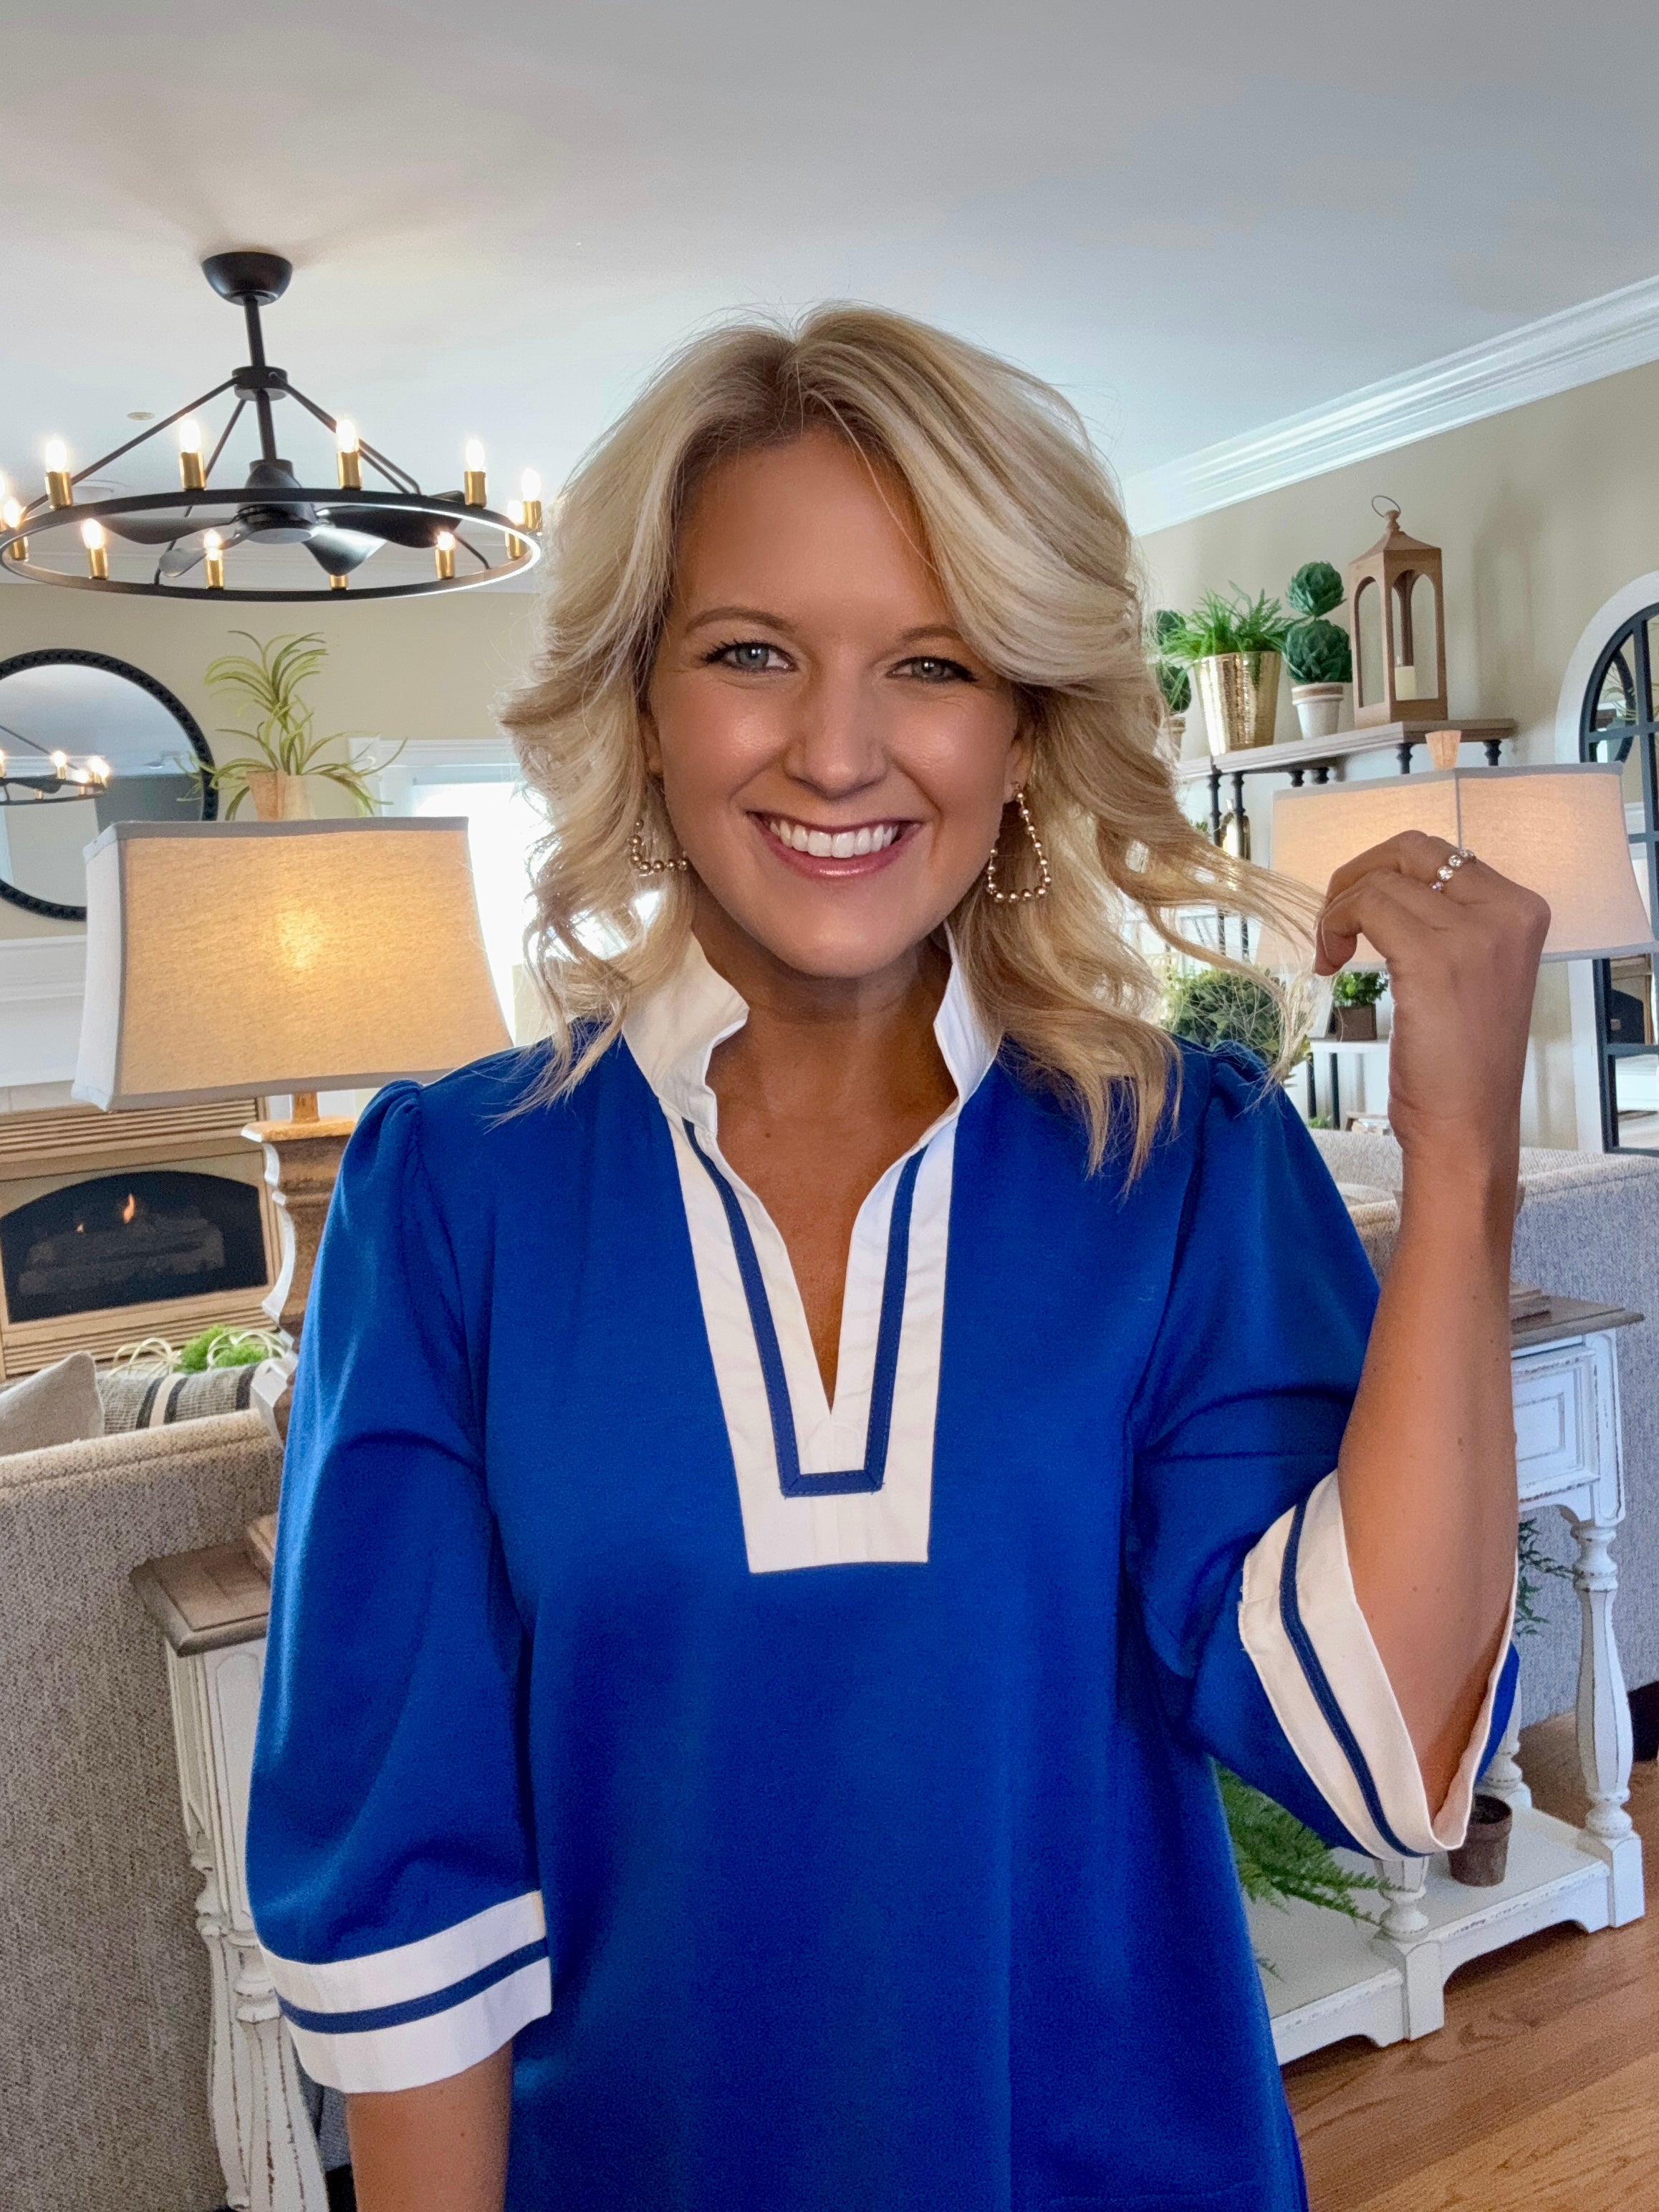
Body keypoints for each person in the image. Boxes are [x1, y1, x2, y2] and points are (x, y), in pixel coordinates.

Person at [246, 307, 1547, 2212]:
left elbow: (1384, 1755)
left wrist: (1465, 1161)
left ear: (1021, 730)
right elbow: (405, 1905)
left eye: (930, 664)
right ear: (641, 701)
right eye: (750, 652)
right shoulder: (452, 1195)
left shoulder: (1183, 1162)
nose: (838, 751)